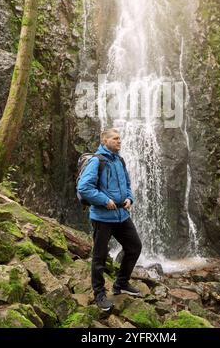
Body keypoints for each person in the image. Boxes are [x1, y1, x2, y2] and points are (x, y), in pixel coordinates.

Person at [77, 128, 142, 311]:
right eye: (115, 138)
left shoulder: (119, 161)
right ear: (105, 141)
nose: (119, 141)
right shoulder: (97, 161)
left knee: (135, 247)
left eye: (120, 138)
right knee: (99, 257)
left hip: (121, 215)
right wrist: (105, 200)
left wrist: (130, 198)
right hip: (102, 217)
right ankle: (99, 295)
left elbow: (127, 184)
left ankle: (121, 283)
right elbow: (84, 187)